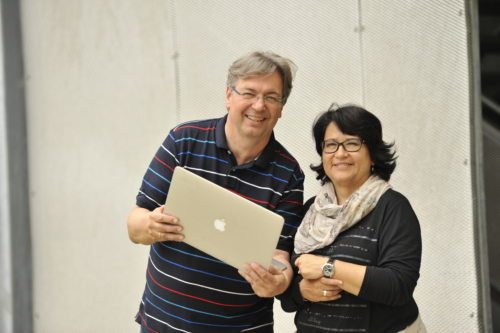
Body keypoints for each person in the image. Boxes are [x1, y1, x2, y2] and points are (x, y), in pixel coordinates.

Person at [127, 51, 305, 333]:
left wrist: (278, 282)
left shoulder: (289, 174)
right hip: (163, 325)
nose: (259, 106)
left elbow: (280, 256)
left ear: (282, 108)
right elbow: (135, 224)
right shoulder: (183, 140)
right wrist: (150, 225)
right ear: (228, 96)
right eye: (249, 92)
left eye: (271, 97)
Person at [278, 104, 426, 332]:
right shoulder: (310, 211)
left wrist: (328, 267)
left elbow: (398, 286)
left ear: (373, 154)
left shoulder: (392, 207)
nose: (340, 153)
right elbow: (287, 292)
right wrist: (301, 291)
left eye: (352, 143)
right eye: (331, 145)